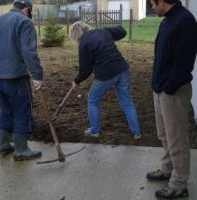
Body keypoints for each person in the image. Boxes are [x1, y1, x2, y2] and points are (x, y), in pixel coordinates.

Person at [147, 0, 197, 199]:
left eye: (152, 3)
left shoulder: (185, 20)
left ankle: (179, 184)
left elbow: (184, 62)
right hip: (160, 88)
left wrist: (169, 87)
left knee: (177, 139)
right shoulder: (167, 20)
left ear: (161, 2)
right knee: (164, 135)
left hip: (173, 91)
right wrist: (157, 85)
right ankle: (167, 169)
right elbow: (161, 55)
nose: (151, 7)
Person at [0, 0, 43, 161]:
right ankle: (21, 149)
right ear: (26, 9)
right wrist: (37, 75)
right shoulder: (24, 21)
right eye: (29, 12)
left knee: (5, 108)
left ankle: (3, 144)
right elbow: (28, 51)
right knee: (22, 109)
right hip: (16, 77)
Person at [69, 21, 141, 139]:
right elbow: (122, 31)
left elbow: (86, 70)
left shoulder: (83, 44)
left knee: (92, 100)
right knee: (126, 101)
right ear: (86, 27)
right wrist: (111, 29)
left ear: (75, 35)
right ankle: (136, 132)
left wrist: (76, 81)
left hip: (106, 75)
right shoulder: (102, 31)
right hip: (122, 69)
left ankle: (94, 131)